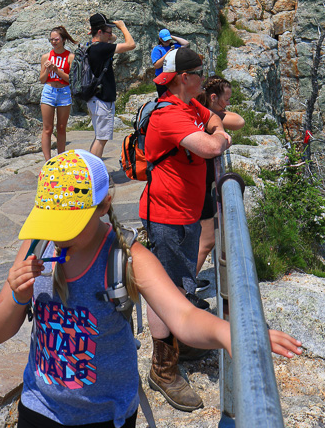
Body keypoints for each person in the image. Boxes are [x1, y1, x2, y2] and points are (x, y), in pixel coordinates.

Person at [0, 150, 302, 428]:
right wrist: (18, 295)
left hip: (105, 416)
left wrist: (229, 333)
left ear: (104, 205)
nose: (58, 234)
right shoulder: (37, 246)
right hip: (38, 409)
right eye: (51, 221)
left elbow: (183, 316)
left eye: (69, 224)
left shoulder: (127, 258)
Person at [140, 47, 233, 410]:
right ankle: (163, 369)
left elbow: (215, 120)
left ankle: (180, 338)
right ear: (184, 77)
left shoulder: (189, 106)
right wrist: (221, 139)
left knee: (180, 283)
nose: (203, 77)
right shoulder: (168, 115)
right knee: (169, 288)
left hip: (185, 213)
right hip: (166, 217)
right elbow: (211, 143)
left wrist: (219, 131)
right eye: (199, 72)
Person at [195, 77, 245, 278]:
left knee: (197, 239)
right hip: (200, 185)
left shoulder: (199, 111)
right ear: (213, 97)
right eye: (227, 98)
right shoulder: (206, 116)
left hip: (198, 183)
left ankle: (185, 285)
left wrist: (217, 108)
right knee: (207, 240)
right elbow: (239, 121)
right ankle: (185, 289)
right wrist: (217, 112)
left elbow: (234, 117)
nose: (229, 104)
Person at [87, 13, 136, 159]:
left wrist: (104, 30)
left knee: (98, 137)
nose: (111, 35)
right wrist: (122, 27)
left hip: (95, 97)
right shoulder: (101, 48)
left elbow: (112, 39)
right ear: (100, 32)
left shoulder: (91, 46)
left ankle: (90, 169)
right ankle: (94, 173)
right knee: (101, 139)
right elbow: (131, 45)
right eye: (108, 31)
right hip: (102, 99)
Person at [40, 26, 77, 161]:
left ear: (63, 39)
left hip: (64, 92)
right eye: (51, 40)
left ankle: (61, 158)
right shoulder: (46, 57)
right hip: (49, 91)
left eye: (56, 39)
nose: (54, 42)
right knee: (47, 129)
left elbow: (71, 80)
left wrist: (56, 70)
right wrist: (48, 71)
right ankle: (48, 161)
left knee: (61, 128)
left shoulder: (70, 57)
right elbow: (42, 79)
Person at [151, 28, 189, 98]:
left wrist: (172, 37)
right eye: (165, 40)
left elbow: (186, 43)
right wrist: (167, 54)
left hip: (173, 77)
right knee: (164, 98)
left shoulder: (173, 46)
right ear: (160, 40)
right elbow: (156, 65)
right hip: (162, 78)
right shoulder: (157, 49)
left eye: (168, 39)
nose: (167, 41)